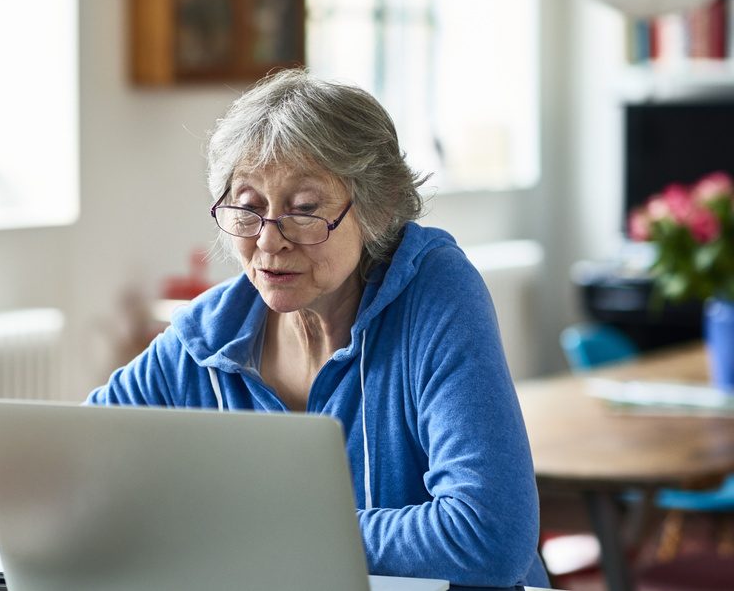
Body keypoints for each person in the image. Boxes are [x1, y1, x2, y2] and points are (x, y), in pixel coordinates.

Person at [86, 69, 548, 588]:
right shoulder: (209, 334)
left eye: (304, 211)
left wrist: (262, 534)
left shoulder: (435, 296)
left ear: (381, 207)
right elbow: (77, 465)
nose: (269, 241)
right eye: (249, 207)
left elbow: (488, 536)